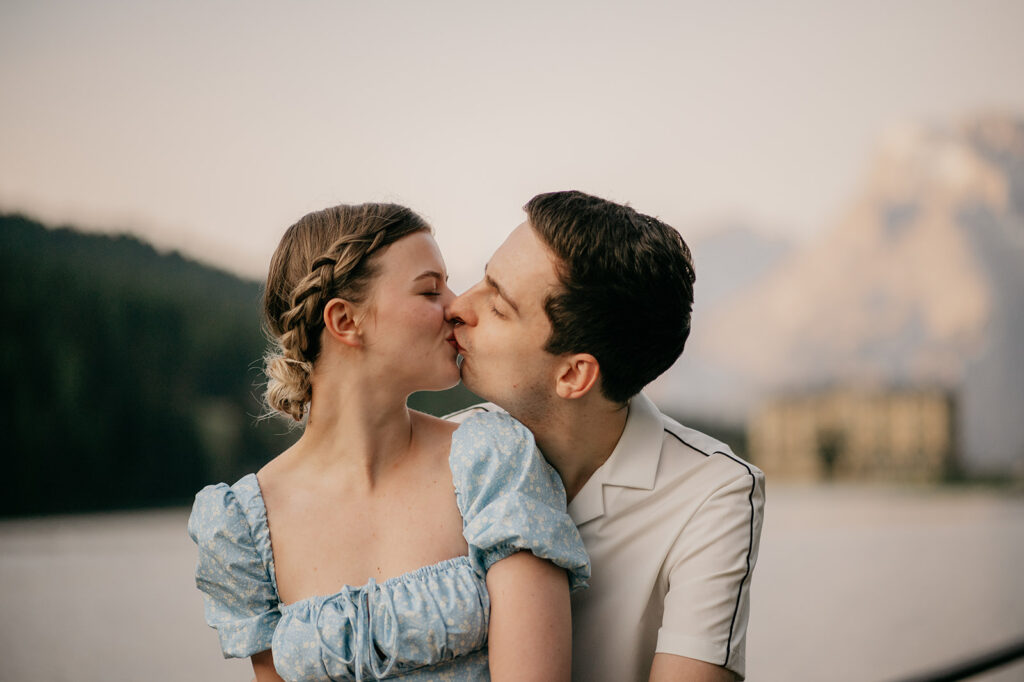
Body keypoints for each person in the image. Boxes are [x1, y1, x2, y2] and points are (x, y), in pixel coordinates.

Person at [187, 203, 589, 682]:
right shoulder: (243, 528)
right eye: (429, 290)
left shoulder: (492, 460)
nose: (457, 307)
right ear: (345, 321)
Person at [446, 190, 766, 682]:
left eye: (499, 307)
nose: (457, 305)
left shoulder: (714, 493)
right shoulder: (444, 448)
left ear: (574, 376)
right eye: (482, 279)